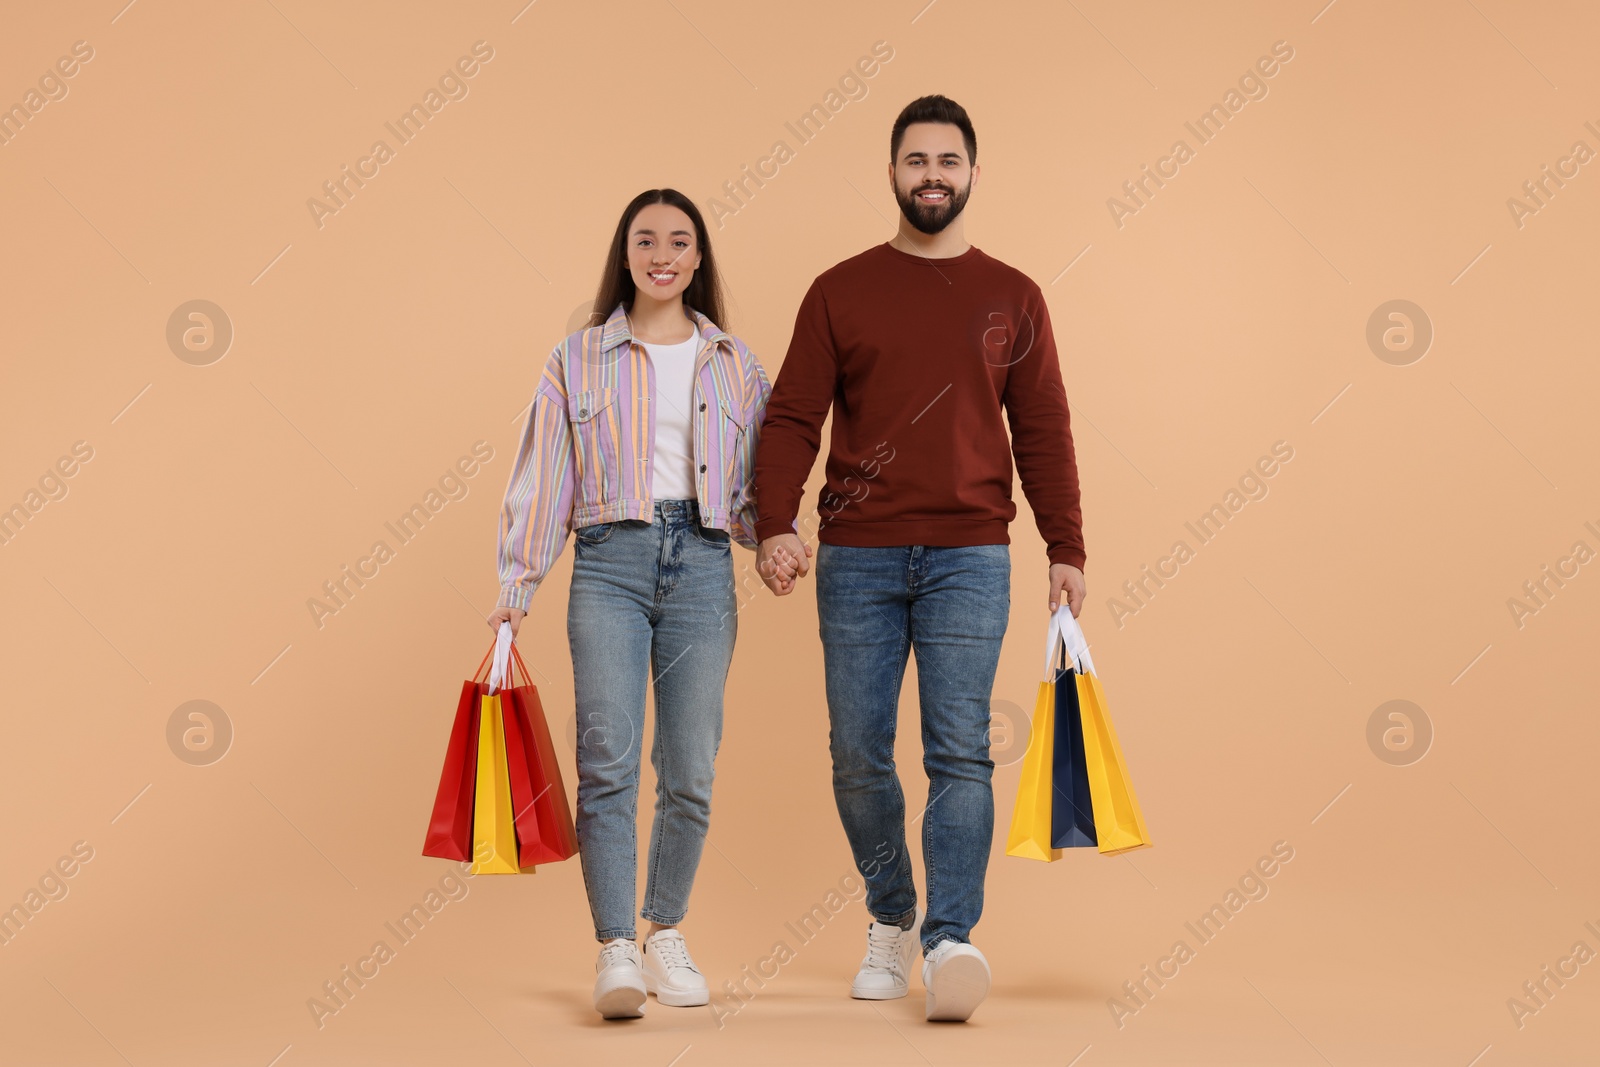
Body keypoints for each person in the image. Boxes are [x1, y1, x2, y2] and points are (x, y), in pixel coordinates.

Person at [753, 95, 1088, 1022]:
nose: (931, 175)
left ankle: (948, 941)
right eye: (915, 160)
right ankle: (891, 917)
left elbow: (1044, 424)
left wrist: (1066, 543)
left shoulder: (1015, 295)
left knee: (958, 755)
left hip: (972, 556)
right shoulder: (839, 289)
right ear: (892, 172)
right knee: (857, 756)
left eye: (948, 160)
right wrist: (772, 521)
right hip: (856, 556)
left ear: (974, 173)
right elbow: (790, 415)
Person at [488, 189, 791, 1020]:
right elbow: (544, 477)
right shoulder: (576, 358)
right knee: (608, 766)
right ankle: (616, 946)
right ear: (625, 255)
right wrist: (516, 587)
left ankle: (666, 931)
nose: (662, 253)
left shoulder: (736, 362)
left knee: (690, 768)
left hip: (700, 567)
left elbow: (768, 478)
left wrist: (778, 541)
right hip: (608, 566)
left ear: (699, 259)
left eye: (679, 241)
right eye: (645, 240)